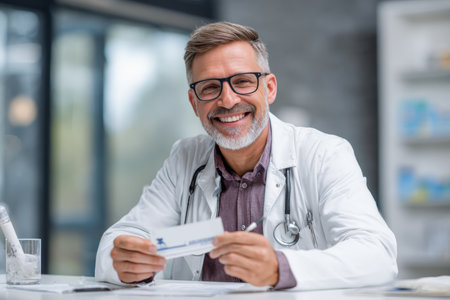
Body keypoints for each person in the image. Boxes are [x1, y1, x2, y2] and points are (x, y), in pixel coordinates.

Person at [95, 21, 397, 290]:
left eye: (242, 81)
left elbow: (377, 255)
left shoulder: (324, 154)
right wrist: (125, 262)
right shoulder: (185, 158)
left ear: (269, 88)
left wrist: (281, 268)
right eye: (210, 87)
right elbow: (122, 238)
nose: (228, 100)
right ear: (193, 102)